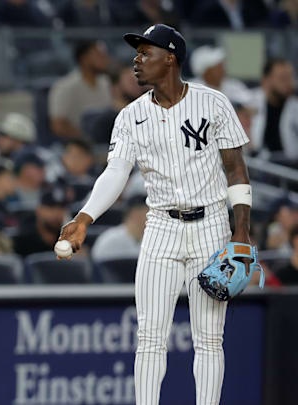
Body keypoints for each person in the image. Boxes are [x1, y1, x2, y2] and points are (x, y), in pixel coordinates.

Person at [58, 24, 254, 405]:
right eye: (136, 53)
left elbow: (236, 169)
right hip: (162, 225)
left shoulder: (212, 102)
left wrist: (241, 230)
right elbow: (115, 173)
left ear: (170, 58)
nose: (136, 60)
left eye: (145, 53)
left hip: (212, 222)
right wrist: (84, 218)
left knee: (209, 336)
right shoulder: (129, 117)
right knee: (149, 336)